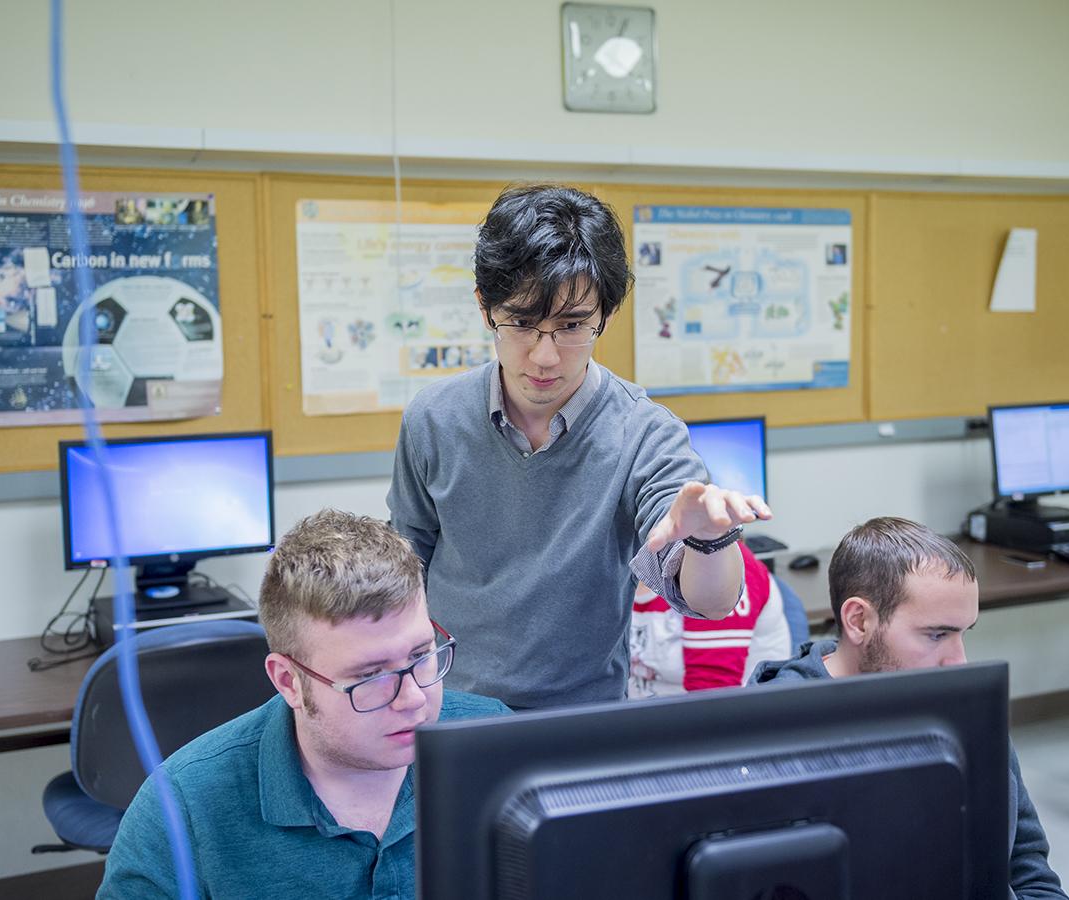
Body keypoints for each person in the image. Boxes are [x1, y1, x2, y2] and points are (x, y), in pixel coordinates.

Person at [388, 183, 772, 709]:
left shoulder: (644, 433)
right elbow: (406, 567)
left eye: (571, 327)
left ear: (605, 317)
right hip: (449, 709)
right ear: (485, 309)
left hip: (577, 719)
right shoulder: (433, 418)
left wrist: (708, 539)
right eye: (521, 323)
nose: (545, 356)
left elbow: (712, 602)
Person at [98, 509, 509, 899]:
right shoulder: (182, 809)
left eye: (421, 655)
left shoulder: (498, 744)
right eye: (371, 677)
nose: (414, 699)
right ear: (287, 681)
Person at [750, 517, 1067, 900]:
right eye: (937, 634)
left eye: (963, 633)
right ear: (858, 620)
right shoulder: (777, 737)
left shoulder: (968, 714)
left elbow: (1031, 876)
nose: (958, 662)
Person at [630, 542, 793, 696]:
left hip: (727, 716)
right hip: (636, 716)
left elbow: (711, 698)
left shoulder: (715, 568)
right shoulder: (620, 563)